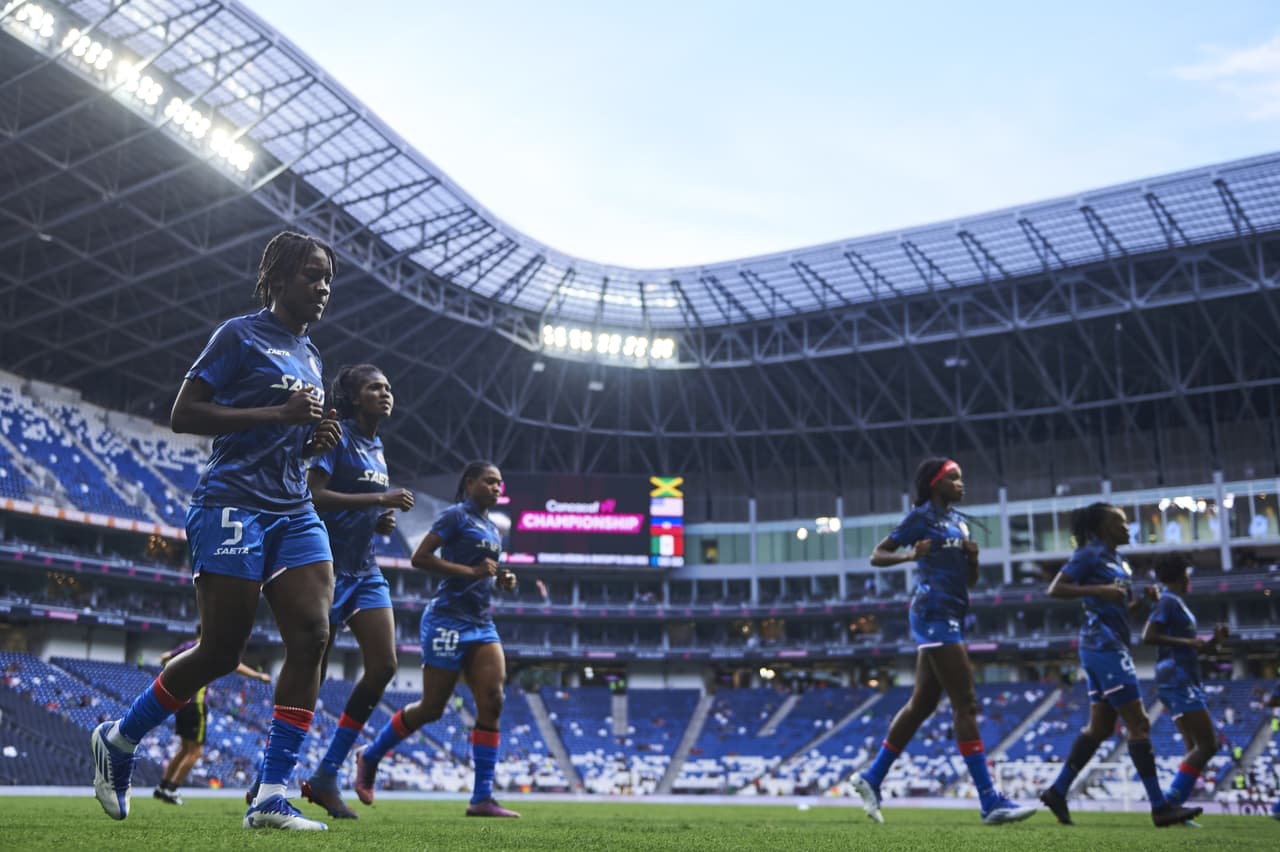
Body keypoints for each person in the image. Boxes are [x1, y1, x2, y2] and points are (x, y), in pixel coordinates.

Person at [90, 231, 341, 831]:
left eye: (329, 277)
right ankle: (120, 741)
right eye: (312, 274)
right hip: (231, 502)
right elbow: (184, 415)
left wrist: (309, 442)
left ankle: (270, 794)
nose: (324, 286)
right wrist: (278, 414)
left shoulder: (312, 355)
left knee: (312, 634)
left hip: (293, 506)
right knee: (222, 651)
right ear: (278, 279)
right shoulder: (239, 335)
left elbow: (285, 437)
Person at [851, 458, 1035, 826]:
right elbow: (877, 554)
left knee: (921, 705)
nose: (961, 484)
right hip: (932, 613)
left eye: (961, 478)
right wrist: (909, 555)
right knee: (965, 703)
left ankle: (871, 777)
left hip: (952, 612)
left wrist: (974, 561)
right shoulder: (920, 517)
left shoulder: (960, 523)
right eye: (954, 478)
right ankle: (989, 801)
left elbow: (969, 582)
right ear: (936, 484)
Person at [354, 460, 521, 818]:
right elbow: (420, 558)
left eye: (500, 484)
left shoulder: (493, 529)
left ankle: (481, 798)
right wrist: (474, 572)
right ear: (471, 482)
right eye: (489, 482)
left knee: (493, 699)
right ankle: (369, 756)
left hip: (481, 622)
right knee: (432, 708)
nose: (496, 488)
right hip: (446, 620)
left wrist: (501, 578)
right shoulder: (455, 517)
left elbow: (483, 573)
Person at [1038, 503, 1202, 827]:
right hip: (1103, 646)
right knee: (1139, 723)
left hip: (1110, 643)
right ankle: (1160, 807)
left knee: (1099, 728)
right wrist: (1099, 589)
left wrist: (1144, 603)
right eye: (1120, 522)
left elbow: (1121, 610)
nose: (1127, 527)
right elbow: (1055, 588)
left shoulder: (1120, 564)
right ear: (1102, 528)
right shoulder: (1089, 555)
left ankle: (1057, 791)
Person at [299, 364, 414, 819]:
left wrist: (381, 519)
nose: (385, 394)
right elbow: (315, 496)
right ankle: (269, 777)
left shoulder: (378, 446)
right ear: (354, 397)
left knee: (384, 664)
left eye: (388, 387)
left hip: (365, 570)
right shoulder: (339, 436)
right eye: (374, 388)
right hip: (323, 568)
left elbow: (367, 506)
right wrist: (379, 502)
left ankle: (328, 773)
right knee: (312, 676)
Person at [1141, 557, 1228, 808]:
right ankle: (1168, 804)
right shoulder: (1167, 601)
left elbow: (1190, 648)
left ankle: (1175, 808)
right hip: (1177, 679)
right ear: (1180, 576)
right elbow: (1149, 636)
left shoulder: (1175, 603)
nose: (1190, 579)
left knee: (1193, 746)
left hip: (1182, 677)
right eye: (1187, 574)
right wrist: (1191, 643)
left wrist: (1214, 641)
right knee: (1208, 745)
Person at [153, 629, 271, 805]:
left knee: (184, 749)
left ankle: (162, 787)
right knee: (195, 752)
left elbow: (164, 657)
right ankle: (171, 789)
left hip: (182, 703)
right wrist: (258, 675)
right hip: (197, 705)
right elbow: (233, 665)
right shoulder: (208, 647)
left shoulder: (187, 646)